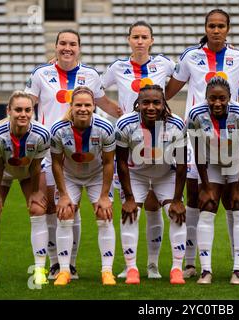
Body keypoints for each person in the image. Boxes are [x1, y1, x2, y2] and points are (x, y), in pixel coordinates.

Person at [25, 29, 121, 280]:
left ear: (79, 48)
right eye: (63, 43)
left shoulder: (90, 75)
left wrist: (131, 114)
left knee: (73, 209)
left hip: (86, 150)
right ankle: (57, 264)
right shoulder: (40, 73)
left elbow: (103, 103)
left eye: (73, 44)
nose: (68, 48)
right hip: (50, 151)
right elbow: (27, 105)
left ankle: (71, 265)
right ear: (55, 46)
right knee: (55, 209)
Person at [165, 9, 239, 280]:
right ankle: (190, 262)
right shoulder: (191, 56)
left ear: (228, 29)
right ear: (205, 28)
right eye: (212, 26)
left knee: (233, 201)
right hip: (198, 136)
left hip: (231, 140)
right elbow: (169, 90)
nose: (216, 30)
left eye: (221, 26)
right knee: (197, 198)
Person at [101, 21, 176, 279]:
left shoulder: (164, 64)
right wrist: (116, 111)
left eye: (145, 37)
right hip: (130, 136)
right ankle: (129, 264)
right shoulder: (117, 67)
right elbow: (96, 90)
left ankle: (153, 265)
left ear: (152, 40)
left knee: (154, 205)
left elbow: (182, 78)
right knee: (131, 204)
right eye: (136, 37)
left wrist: (165, 108)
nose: (140, 41)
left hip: (159, 136)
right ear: (129, 39)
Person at [115, 84, 188, 285]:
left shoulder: (176, 124)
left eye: (157, 102)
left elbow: (181, 163)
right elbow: (121, 161)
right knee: (130, 213)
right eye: (145, 102)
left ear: (164, 104)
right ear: (137, 104)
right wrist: (129, 198)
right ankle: (132, 269)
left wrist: (177, 199)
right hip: (136, 175)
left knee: (177, 214)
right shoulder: (125, 124)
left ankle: (176, 269)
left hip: (165, 174)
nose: (151, 107)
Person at [0, 91, 50, 286]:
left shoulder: (41, 133)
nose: (23, 114)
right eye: (18, 110)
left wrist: (35, 192)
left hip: (29, 170)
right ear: (9, 110)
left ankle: (40, 269)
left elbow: (36, 166)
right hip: (3, 169)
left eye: (28, 110)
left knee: (38, 209)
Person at [186, 77, 239, 285]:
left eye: (222, 98)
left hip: (237, 163)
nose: (217, 103)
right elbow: (197, 150)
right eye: (212, 98)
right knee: (207, 205)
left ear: (229, 98)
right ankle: (206, 270)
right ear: (206, 97)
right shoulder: (196, 113)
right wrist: (205, 186)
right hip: (211, 164)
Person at [50, 86, 116, 286]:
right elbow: (56, 162)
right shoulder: (58, 129)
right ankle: (64, 271)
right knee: (65, 214)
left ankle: (107, 271)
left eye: (87, 105)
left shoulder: (105, 128)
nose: (83, 109)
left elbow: (108, 163)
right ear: (71, 106)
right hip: (70, 176)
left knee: (104, 215)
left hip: (96, 176)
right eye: (78, 105)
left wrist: (104, 196)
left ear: (94, 106)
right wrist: (62, 194)